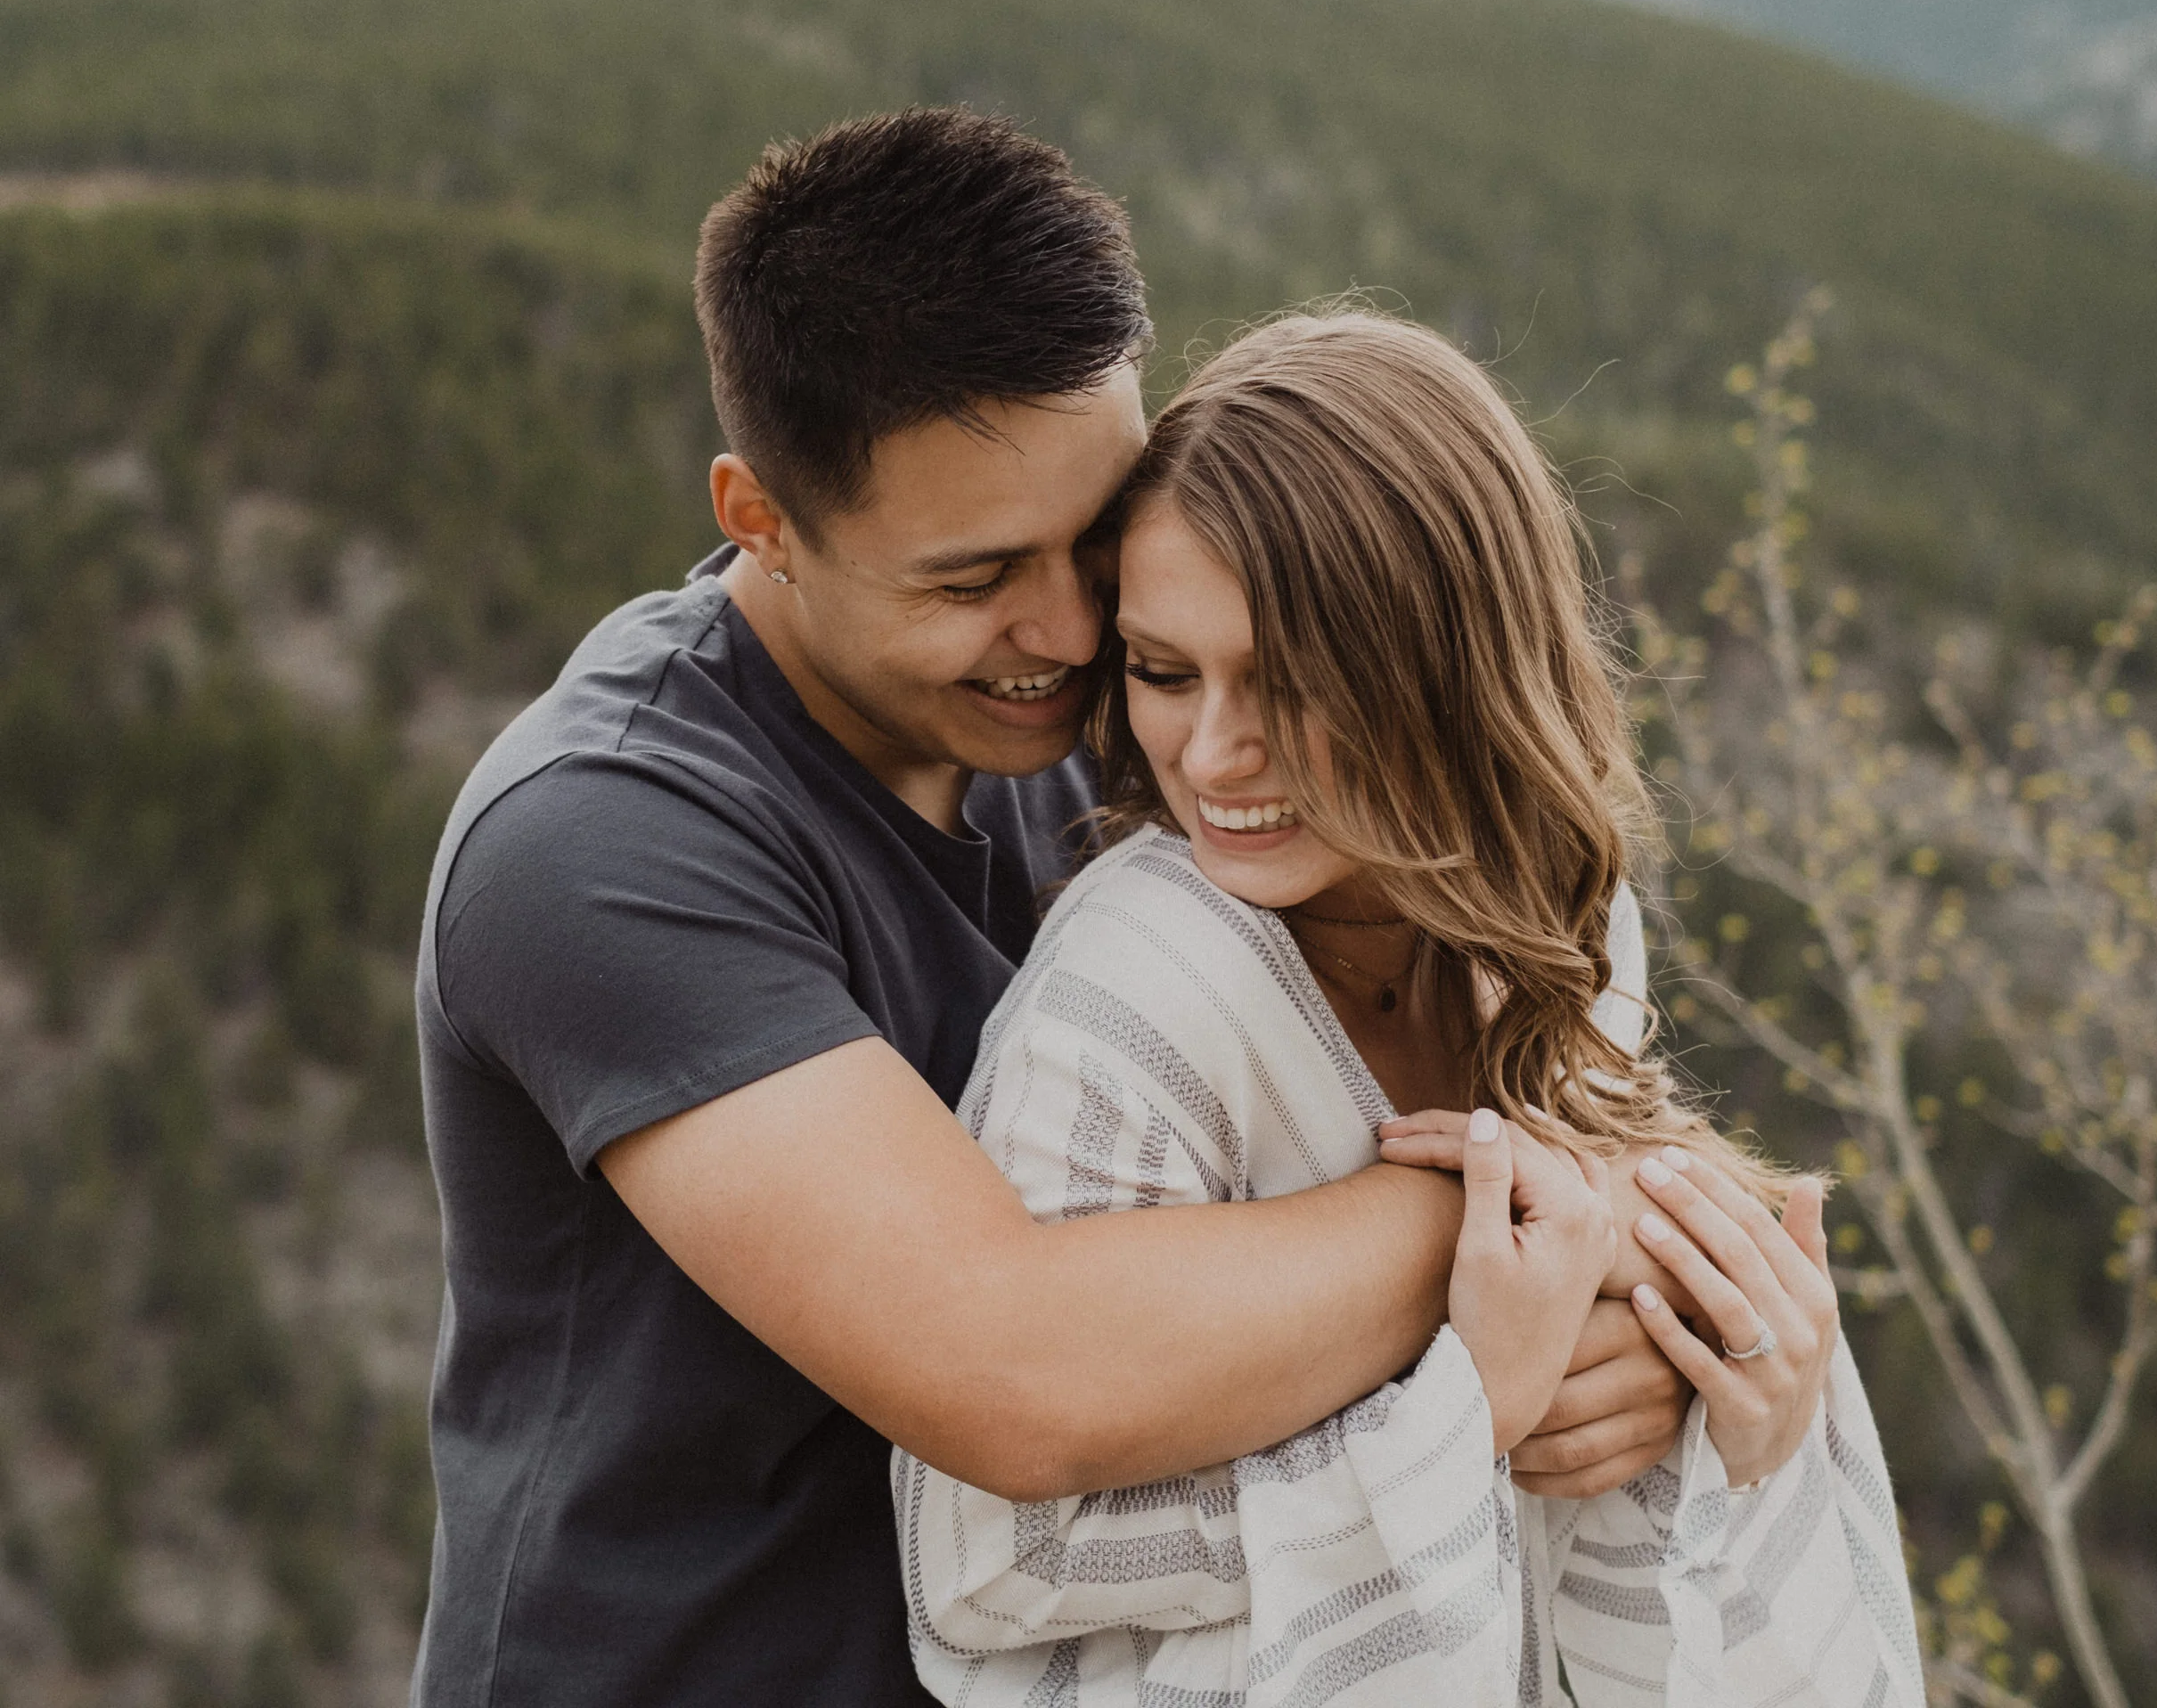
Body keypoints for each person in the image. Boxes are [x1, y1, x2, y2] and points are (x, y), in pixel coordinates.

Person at [409, 111, 1691, 1707]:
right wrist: (1536, 1207)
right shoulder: (598, 843)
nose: (1070, 626)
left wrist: (1648, 1327)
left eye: (1094, 539)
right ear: (760, 521)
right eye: (973, 578)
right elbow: (1016, 1374)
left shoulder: (1137, 703)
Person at [897, 311, 1925, 1707]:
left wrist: (1734, 1384)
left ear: (1445, 667)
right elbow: (990, 1561)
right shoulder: (1135, 1004)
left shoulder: (1561, 925)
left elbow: (1637, 1318)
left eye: (1293, 682)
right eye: (1162, 671)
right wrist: (1466, 1421)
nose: (1212, 754)